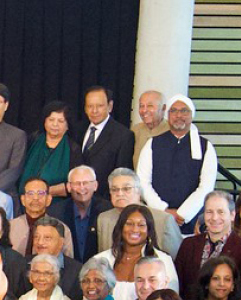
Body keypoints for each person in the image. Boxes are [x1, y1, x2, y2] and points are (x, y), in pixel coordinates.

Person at [137, 95, 218, 233]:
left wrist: (183, 214)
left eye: (184, 111)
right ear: (167, 115)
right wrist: (163, 210)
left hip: (191, 219)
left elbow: (206, 186)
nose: (178, 115)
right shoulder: (153, 143)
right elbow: (142, 182)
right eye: (173, 111)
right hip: (158, 217)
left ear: (192, 115)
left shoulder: (205, 146)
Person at [90, 204, 177, 300]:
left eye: (141, 225)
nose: (135, 230)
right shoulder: (99, 260)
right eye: (129, 224)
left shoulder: (163, 260)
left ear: (149, 230)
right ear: (121, 227)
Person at [174, 191, 241, 295]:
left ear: (232, 215)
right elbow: (179, 283)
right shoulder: (188, 244)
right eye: (209, 212)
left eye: (221, 212)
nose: (214, 218)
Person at [97, 168, 182, 255]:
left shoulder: (163, 220)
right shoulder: (103, 219)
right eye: (114, 189)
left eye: (126, 189)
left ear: (138, 191)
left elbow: (177, 260)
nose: (119, 193)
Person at [76, 87, 134, 200]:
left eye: (100, 106)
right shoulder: (78, 130)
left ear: (110, 106)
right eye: (90, 106)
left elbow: (121, 174)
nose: (94, 111)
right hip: (76, 199)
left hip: (104, 202)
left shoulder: (123, 135)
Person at [21, 101, 75, 197]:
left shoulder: (73, 149)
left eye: (60, 121)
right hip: (24, 200)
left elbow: (74, 184)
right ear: (44, 121)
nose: (55, 124)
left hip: (56, 205)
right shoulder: (32, 140)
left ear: (67, 126)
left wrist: (43, 192)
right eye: (51, 119)